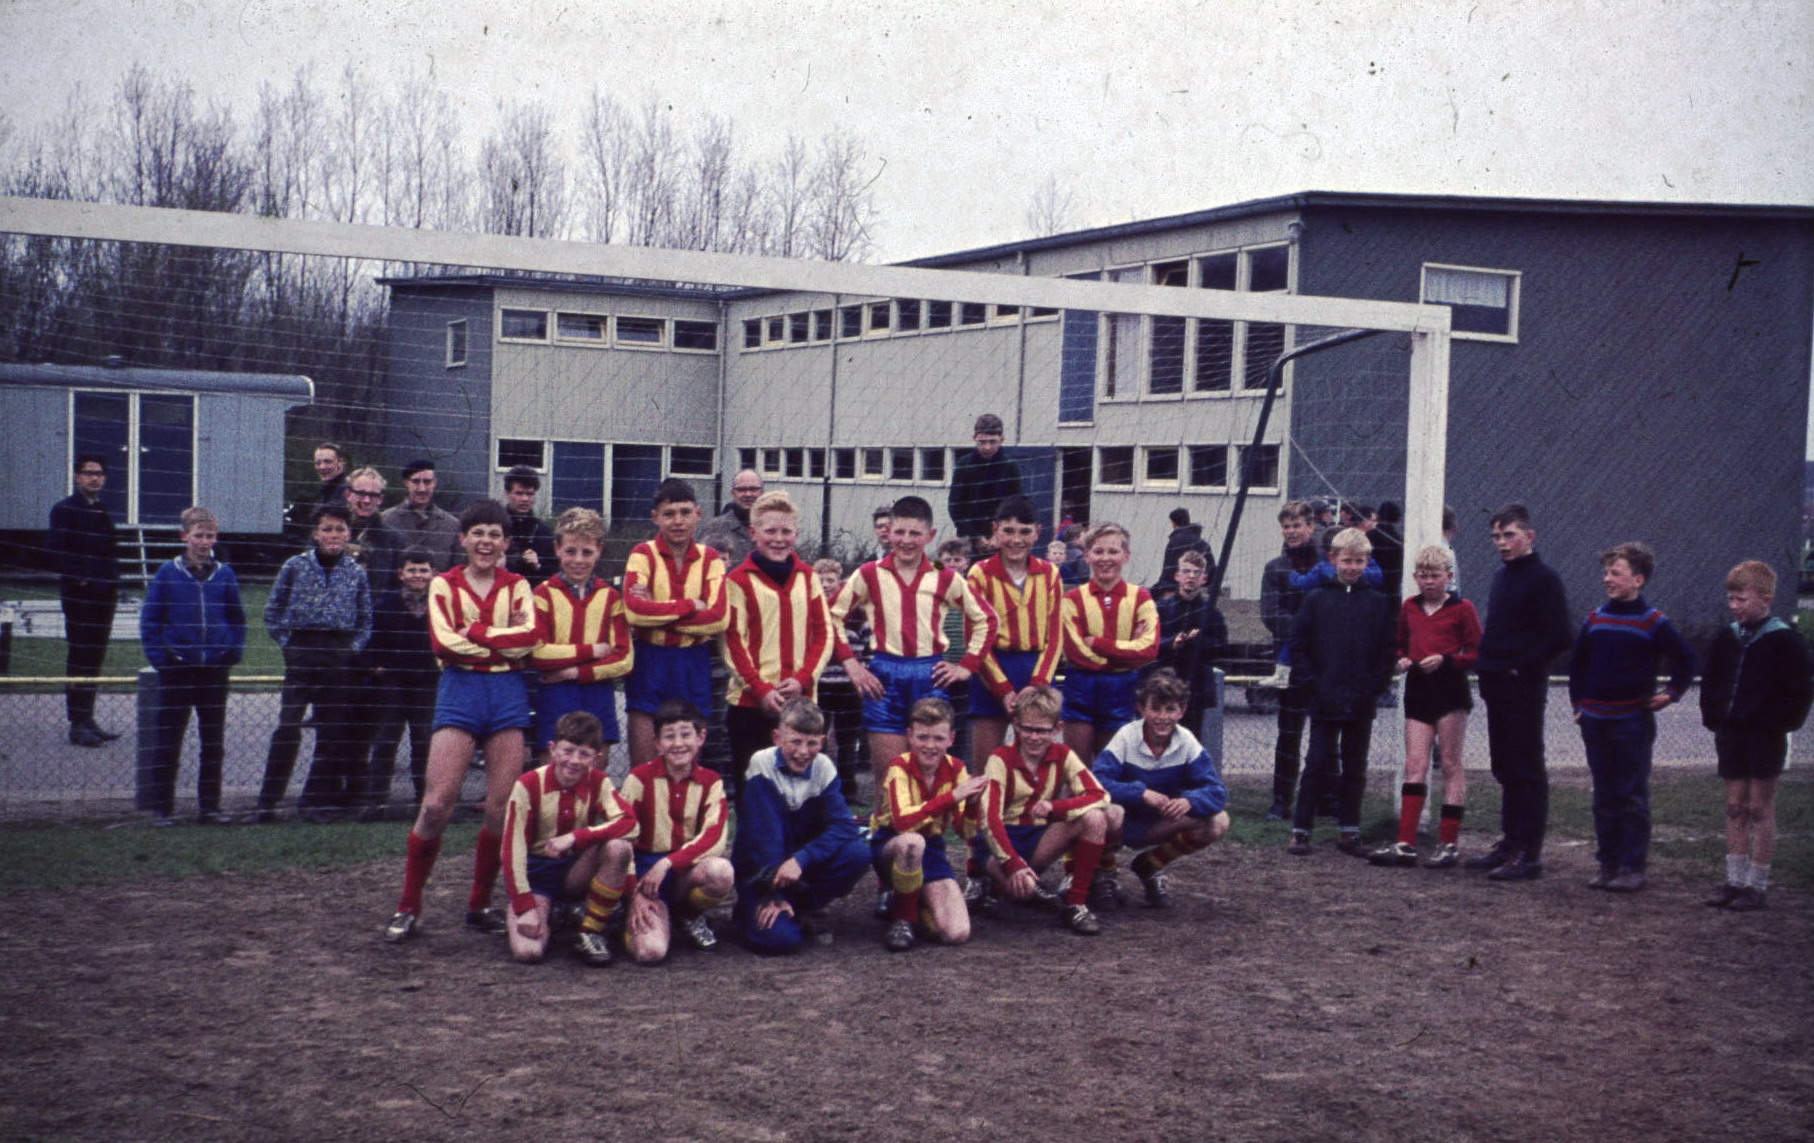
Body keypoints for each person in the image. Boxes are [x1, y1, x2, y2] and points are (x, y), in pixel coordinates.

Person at [383, 500, 539, 943]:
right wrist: (497, 645)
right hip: (461, 691)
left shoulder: (519, 585)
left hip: (507, 694)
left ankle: (478, 904)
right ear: (463, 539)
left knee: (499, 808)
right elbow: (443, 645)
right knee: (436, 804)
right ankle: (408, 905)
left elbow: (529, 639)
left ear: (506, 543)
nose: (486, 542)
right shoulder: (443, 585)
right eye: (478, 534)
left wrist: (479, 634)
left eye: (494, 535)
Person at [829, 495, 997, 796]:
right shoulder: (869, 574)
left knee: (927, 779)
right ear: (888, 532)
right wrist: (851, 664)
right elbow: (831, 616)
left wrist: (966, 666)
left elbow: (987, 619)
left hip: (928, 675)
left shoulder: (944, 577)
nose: (906, 540)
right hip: (883, 676)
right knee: (888, 781)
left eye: (915, 533)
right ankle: (885, 839)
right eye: (899, 532)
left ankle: (927, 842)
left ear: (930, 536)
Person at [1568, 542, 1697, 893]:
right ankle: (1607, 863)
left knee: (1631, 794)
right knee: (1604, 795)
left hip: (1632, 722)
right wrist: (1578, 704)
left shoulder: (1653, 622)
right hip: (1595, 720)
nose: (1606, 579)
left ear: (1638, 579)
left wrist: (1671, 694)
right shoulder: (1595, 619)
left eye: (1616, 573)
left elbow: (1686, 660)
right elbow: (1577, 664)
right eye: (1606, 572)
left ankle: (1632, 866)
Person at [1468, 504, 1574, 882]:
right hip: (1496, 684)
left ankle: (1529, 853)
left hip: (1522, 688)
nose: (1502, 543)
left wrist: (1521, 666)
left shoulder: (1544, 579)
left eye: (1509, 535)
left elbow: (1560, 636)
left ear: (1529, 536)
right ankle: (1510, 842)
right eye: (1496, 536)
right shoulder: (1502, 577)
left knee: (1526, 767)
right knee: (1505, 767)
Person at [1700, 560, 1813, 911]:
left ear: (1765, 599)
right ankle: (1734, 880)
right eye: (1731, 599)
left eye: (1742, 599)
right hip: (1732, 733)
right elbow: (1713, 681)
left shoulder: (1785, 641)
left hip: (1765, 735)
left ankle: (1757, 883)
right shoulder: (1727, 637)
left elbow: (1798, 693)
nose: (1735, 606)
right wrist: (1715, 716)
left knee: (1759, 807)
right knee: (1735, 806)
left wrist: (1778, 722)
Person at [253, 502, 372, 823]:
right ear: (315, 533)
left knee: (331, 731)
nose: (334, 535)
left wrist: (352, 649)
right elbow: (272, 610)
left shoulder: (356, 572)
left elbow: (365, 619)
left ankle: (313, 801)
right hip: (302, 650)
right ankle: (268, 801)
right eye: (327, 529)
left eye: (340, 529)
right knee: (288, 727)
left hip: (338, 654)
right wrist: (288, 644)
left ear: (349, 534)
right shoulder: (295, 566)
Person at [973, 684, 1121, 936]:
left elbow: (1099, 795)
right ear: (1016, 725)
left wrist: (1056, 808)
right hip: (1002, 840)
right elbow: (990, 819)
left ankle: (1076, 903)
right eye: (1027, 729)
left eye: (1042, 730)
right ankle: (991, 883)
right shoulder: (1000, 758)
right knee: (1021, 893)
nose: (1033, 737)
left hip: (1039, 837)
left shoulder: (1063, 753)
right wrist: (1012, 863)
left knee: (1100, 817)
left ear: (1057, 729)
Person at [1285, 528, 1396, 858]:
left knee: (1355, 767)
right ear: (1332, 560)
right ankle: (1300, 830)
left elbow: (1386, 651)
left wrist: (1373, 688)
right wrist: (1314, 684)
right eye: (1346, 560)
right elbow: (1299, 644)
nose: (1351, 567)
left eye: (1359, 561)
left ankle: (1350, 830)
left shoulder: (1378, 603)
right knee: (1316, 763)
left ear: (1367, 562)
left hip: (1360, 702)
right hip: (1324, 699)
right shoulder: (1316, 599)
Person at [1369, 545, 1481, 869]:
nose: (1429, 582)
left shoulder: (1463, 608)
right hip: (1418, 689)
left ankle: (1448, 844)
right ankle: (1405, 842)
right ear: (1416, 577)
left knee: (1450, 764)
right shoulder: (1409, 607)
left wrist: (1447, 660)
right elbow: (1401, 643)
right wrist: (1402, 658)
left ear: (1448, 576)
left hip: (1449, 690)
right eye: (1423, 576)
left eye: (1435, 576)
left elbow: (1475, 653)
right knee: (1414, 764)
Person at [499, 711, 636, 965]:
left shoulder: (599, 781)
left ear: (596, 758)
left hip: (575, 870)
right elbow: (511, 850)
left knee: (619, 847)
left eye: (584, 754)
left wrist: (577, 837)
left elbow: (629, 822)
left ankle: (590, 932)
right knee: (529, 952)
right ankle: (551, 910)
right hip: (537, 876)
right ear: (552, 749)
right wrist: (524, 905)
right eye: (567, 751)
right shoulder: (528, 785)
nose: (574, 760)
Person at [733, 698, 869, 954]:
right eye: (795, 741)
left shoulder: (824, 766)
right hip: (763, 869)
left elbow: (843, 827)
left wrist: (802, 860)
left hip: (796, 866)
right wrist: (772, 895)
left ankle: (802, 906)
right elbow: (764, 837)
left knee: (858, 853)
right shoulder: (761, 764)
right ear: (777, 737)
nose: (803, 751)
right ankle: (752, 909)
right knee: (780, 941)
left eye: (812, 743)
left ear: (823, 741)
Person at [139, 506, 246, 825]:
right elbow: (150, 621)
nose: (204, 542)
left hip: (214, 669)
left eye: (210, 536)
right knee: (168, 740)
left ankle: (210, 807)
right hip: (178, 669)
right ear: (185, 536)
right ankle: (162, 808)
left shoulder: (225, 574)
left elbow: (236, 617)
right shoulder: (167, 574)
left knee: (213, 742)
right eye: (198, 535)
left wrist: (232, 650)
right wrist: (163, 660)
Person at [721, 492, 832, 794]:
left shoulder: (808, 577)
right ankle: (755, 843)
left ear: (796, 534)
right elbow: (732, 640)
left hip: (801, 702)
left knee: (800, 792)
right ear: (754, 533)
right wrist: (759, 689)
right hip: (750, 704)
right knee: (754, 790)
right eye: (770, 531)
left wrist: (803, 679)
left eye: (786, 531)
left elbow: (824, 633)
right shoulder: (737, 580)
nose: (779, 539)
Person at [1091, 669, 1229, 908]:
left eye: (1171, 709)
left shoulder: (1186, 741)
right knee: (1107, 812)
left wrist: (1190, 801)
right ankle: (1105, 873)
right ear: (1141, 709)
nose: (1162, 717)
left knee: (1218, 821)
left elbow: (1217, 791)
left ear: (1182, 710)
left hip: (1158, 821)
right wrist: (1141, 793)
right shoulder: (1126, 736)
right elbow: (1097, 783)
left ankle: (1150, 865)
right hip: (1123, 820)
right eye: (1155, 708)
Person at [613, 699, 734, 963]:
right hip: (646, 876)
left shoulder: (711, 782)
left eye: (685, 734)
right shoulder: (639, 779)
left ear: (701, 737)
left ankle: (688, 916)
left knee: (721, 872)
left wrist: (668, 863)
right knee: (651, 952)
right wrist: (634, 893)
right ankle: (633, 914)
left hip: (681, 870)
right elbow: (621, 839)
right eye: (669, 736)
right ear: (657, 742)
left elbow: (713, 837)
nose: (678, 743)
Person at [622, 479, 729, 768]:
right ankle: (642, 813)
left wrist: (657, 613)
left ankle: (685, 813)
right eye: (669, 514)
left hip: (693, 662)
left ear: (698, 513)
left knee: (687, 762)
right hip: (650, 659)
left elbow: (718, 617)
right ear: (655, 517)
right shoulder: (642, 554)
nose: (678, 521)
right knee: (644, 767)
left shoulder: (711, 559)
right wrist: (691, 606)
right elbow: (634, 612)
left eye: (685, 512)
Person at [870, 697, 985, 952]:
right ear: (910, 736)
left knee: (957, 933)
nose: (930, 746)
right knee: (913, 843)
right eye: (923, 737)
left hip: (931, 848)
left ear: (951, 739)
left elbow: (964, 832)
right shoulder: (899, 766)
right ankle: (903, 919)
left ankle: (915, 902)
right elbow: (903, 823)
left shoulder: (957, 768)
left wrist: (974, 804)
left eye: (938, 738)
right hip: (891, 844)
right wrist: (953, 797)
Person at [966, 495, 1064, 771]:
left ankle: (1035, 814)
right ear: (995, 530)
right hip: (991, 670)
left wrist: (1038, 682)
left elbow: (1055, 637)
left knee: (1038, 765)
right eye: (1008, 531)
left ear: (1037, 533)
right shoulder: (979, 574)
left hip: (1037, 671)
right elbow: (974, 638)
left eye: (1024, 532)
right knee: (987, 765)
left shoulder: (1050, 574)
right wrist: (1003, 689)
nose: (1016, 539)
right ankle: (983, 813)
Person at [530, 508, 632, 763]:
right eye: (570, 551)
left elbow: (623, 658)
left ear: (599, 549)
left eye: (587, 552)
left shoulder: (610, 596)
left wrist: (572, 672)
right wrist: (590, 651)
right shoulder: (543, 594)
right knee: (552, 773)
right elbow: (537, 652)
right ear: (557, 549)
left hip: (597, 695)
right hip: (555, 697)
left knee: (596, 770)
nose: (578, 560)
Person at [1058, 521, 1158, 761]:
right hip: (1080, 687)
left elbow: (1149, 649)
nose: (1106, 558)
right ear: (1087, 556)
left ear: (1126, 556)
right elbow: (1074, 652)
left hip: (1120, 689)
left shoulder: (1141, 597)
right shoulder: (1072, 599)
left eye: (1113, 551)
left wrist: (1099, 644)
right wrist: (1125, 654)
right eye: (1098, 551)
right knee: (1078, 771)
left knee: (1112, 770)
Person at [48, 452, 122, 746]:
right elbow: (55, 551)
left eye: (99, 473)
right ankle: (77, 723)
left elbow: (109, 551)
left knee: (95, 656)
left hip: (105, 595)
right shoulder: (64, 510)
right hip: (80, 597)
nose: (95, 478)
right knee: (79, 656)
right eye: (89, 472)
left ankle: (88, 717)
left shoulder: (101, 510)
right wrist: (81, 578)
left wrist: (113, 578)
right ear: (77, 477)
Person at [361, 548, 440, 820]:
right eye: (412, 570)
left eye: (423, 570)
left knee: (424, 742)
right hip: (393, 682)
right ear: (401, 574)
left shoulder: (441, 605)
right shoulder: (387, 604)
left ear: (433, 574)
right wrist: (376, 666)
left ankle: (425, 800)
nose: (418, 575)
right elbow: (371, 642)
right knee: (385, 741)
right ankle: (376, 802)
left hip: (427, 683)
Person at [1258, 502, 1319, 820]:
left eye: (1297, 525)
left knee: (1326, 733)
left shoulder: (1329, 564)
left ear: (1311, 526)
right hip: (1290, 661)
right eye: (1287, 526)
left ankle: (1327, 800)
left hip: (1324, 660)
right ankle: (1281, 802)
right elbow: (1270, 615)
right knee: (1289, 733)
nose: (1292, 531)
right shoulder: (1275, 568)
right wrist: (1306, 630)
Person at [813, 557, 868, 803]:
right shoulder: (811, 611)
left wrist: (864, 671)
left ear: (840, 581)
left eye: (830, 580)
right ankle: (820, 788)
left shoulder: (855, 612)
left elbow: (869, 644)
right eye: (820, 580)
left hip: (849, 686)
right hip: (821, 685)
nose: (825, 585)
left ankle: (849, 790)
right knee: (818, 737)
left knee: (848, 739)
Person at [1153, 550, 1226, 718]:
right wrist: (1172, 643)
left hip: (1197, 684)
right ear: (1177, 575)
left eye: (1197, 572)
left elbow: (1222, 647)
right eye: (1186, 571)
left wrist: (1199, 641)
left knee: (1192, 737)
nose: (1191, 576)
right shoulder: (1161, 607)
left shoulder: (1212, 612)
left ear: (1204, 579)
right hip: (1164, 681)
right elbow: (1149, 643)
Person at [947, 413, 1024, 545]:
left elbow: (1016, 506)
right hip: (968, 539)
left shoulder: (1010, 466)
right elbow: (955, 506)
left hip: (1002, 538)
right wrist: (975, 537)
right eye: (982, 442)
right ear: (974, 438)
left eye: (992, 441)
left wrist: (999, 535)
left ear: (1002, 439)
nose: (987, 447)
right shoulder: (964, 464)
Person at [381, 458, 462, 571]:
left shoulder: (451, 525)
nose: (422, 488)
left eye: (427, 482)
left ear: (435, 483)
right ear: (406, 483)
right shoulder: (386, 520)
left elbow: (457, 570)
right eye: (416, 482)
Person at [342, 466, 397, 596]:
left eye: (373, 495)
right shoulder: (328, 532)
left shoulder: (394, 540)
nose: (366, 501)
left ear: (380, 499)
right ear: (348, 494)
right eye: (361, 494)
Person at [501, 464, 556, 587]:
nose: (525, 499)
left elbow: (554, 573)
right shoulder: (496, 528)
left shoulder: (544, 532)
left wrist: (538, 566)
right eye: (519, 493)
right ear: (506, 493)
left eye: (529, 494)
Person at [696, 468, 764, 566]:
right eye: (741, 490)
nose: (748, 494)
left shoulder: (773, 530)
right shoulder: (713, 529)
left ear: (762, 492)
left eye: (753, 489)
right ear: (733, 493)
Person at [285, 442, 349, 546]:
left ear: (341, 463)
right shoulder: (327, 492)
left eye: (328, 462)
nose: (322, 467)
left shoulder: (347, 493)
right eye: (317, 463)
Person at [1153, 507, 1214, 597]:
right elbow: (1212, 568)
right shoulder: (1202, 543)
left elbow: (1169, 570)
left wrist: (1158, 589)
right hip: (1200, 589)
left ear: (1173, 523)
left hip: (1176, 588)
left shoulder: (1174, 542)